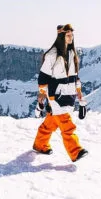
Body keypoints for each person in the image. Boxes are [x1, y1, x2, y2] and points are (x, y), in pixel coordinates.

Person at [32, 23, 89, 161]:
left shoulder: (72, 54)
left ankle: (40, 144)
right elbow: (43, 77)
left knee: (51, 122)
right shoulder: (52, 55)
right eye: (68, 35)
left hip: (69, 95)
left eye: (72, 35)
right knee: (66, 123)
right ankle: (75, 151)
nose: (71, 37)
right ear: (61, 37)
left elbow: (75, 77)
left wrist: (79, 92)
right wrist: (42, 93)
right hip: (55, 95)